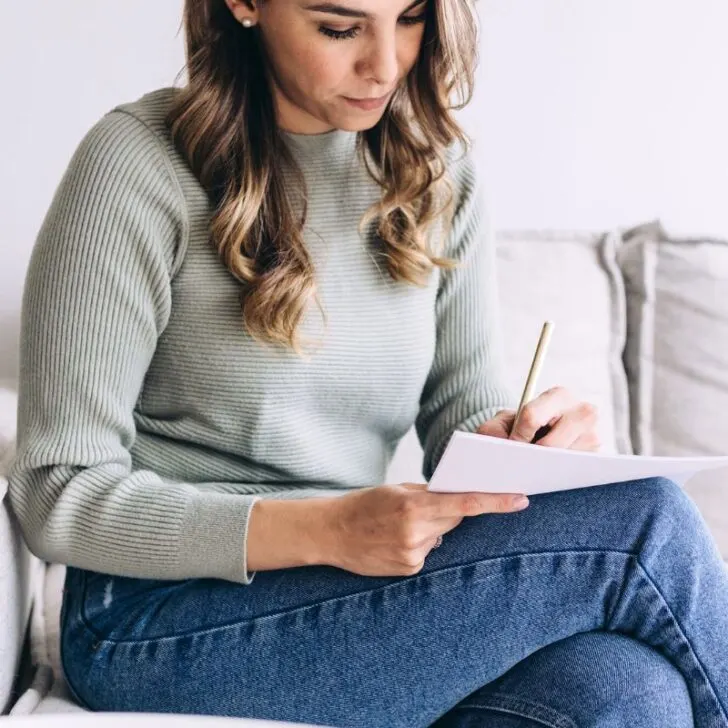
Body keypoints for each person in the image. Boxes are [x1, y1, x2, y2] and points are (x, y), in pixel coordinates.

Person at [8, 0, 728, 726]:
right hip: (152, 615)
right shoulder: (137, 165)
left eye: (410, 18)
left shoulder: (438, 171)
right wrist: (327, 529)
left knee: (631, 691)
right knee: (648, 524)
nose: (385, 64)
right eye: (340, 27)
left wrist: (527, 443)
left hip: (346, 587)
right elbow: (57, 491)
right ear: (246, 5)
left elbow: (463, 411)